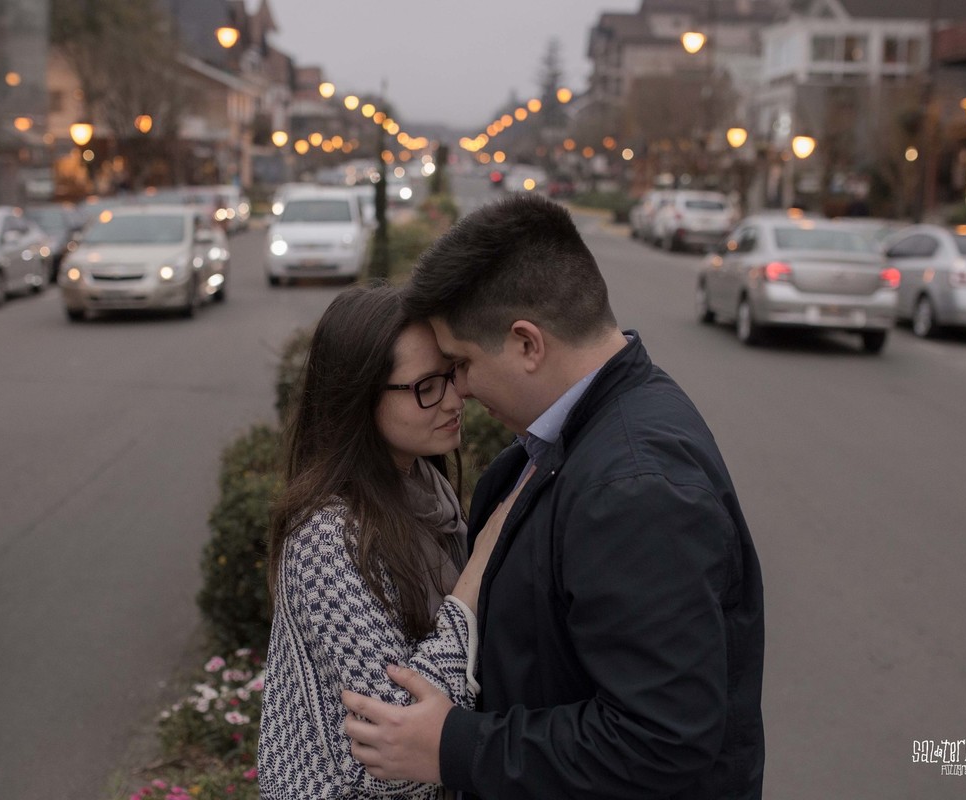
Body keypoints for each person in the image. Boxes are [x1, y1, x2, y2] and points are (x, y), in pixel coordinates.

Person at [342, 194, 765, 799]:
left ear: (527, 344)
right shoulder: (592, 429)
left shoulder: (633, 488)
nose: (458, 389)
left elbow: (661, 742)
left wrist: (454, 745)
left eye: (460, 363)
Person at [258, 285, 524, 799]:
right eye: (426, 386)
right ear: (359, 397)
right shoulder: (327, 538)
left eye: (450, 373)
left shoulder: (424, 487)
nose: (453, 398)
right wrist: (472, 583)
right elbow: (393, 754)